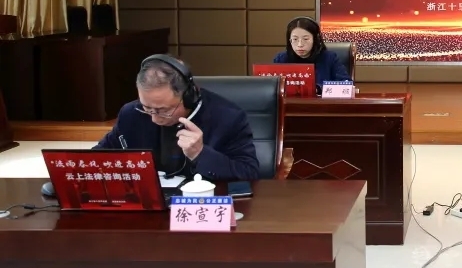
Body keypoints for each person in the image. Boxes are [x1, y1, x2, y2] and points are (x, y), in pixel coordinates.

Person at [94, 54, 260, 181]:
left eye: (163, 110)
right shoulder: (131, 114)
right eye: (147, 108)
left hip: (202, 205)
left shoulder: (228, 117)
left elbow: (249, 173)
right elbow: (97, 158)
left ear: (189, 97)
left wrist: (200, 153)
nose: (154, 118)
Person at [272, 16, 350, 88]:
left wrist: (319, 89)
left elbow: (346, 84)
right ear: (290, 41)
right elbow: (272, 87)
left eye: (305, 39)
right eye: (295, 39)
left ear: (315, 39)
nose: (300, 44)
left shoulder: (329, 58)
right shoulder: (281, 59)